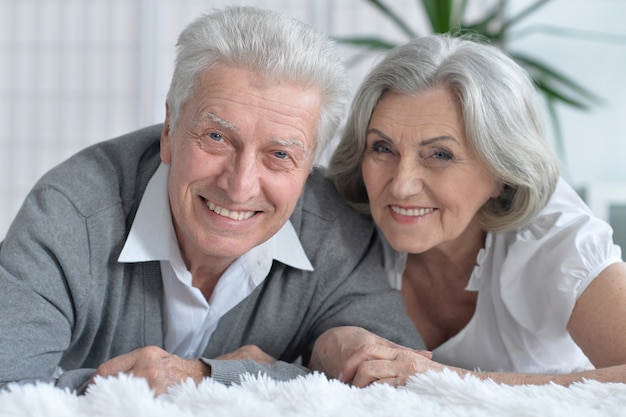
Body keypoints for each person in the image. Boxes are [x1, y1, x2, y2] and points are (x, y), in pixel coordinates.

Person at [0, 6, 424, 395]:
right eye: (217, 138)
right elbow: (9, 390)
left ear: (311, 163)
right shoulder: (68, 215)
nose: (239, 187)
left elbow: (403, 387)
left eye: (280, 155)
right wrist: (114, 387)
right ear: (169, 131)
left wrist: (206, 376)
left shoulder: (338, 235)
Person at [313, 34, 626, 387]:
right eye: (382, 148)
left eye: (440, 155)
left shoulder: (560, 240)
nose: (401, 185)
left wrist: (443, 379)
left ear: (500, 172)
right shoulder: (335, 222)